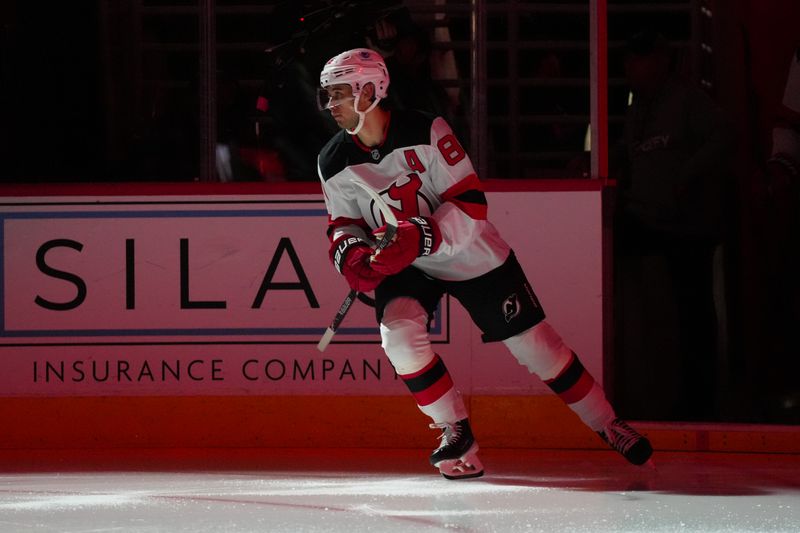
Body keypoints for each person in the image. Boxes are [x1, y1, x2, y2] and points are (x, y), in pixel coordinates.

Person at [316, 48, 653, 479]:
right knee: (398, 335)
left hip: (467, 251)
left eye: (340, 93)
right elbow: (343, 223)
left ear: (371, 89)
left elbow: (472, 203)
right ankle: (454, 430)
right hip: (409, 262)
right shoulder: (332, 160)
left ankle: (608, 423)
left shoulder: (427, 128)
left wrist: (423, 234)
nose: (332, 105)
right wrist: (352, 253)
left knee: (538, 347)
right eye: (328, 95)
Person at [612, 30, 736, 420]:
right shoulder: (636, 109)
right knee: (666, 319)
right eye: (630, 59)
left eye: (642, 57)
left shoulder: (687, 99)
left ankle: (700, 405)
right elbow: (628, 157)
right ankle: (666, 398)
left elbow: (723, 137)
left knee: (693, 317)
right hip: (653, 226)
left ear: (663, 60)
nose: (634, 66)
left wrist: (686, 176)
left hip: (688, 229)